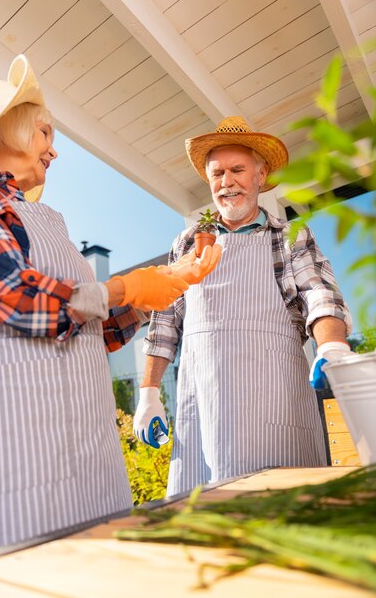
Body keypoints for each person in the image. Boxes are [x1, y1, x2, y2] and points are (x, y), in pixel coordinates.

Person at [0, 54, 221, 562]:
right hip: (14, 426)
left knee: (99, 564)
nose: (53, 151)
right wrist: (125, 289)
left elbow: (86, 330)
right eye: (43, 134)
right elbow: (17, 296)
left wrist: (162, 289)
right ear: (5, 128)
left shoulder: (49, 218)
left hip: (85, 430)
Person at [133, 116, 353, 497]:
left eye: (237, 170)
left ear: (260, 175)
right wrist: (149, 392)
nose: (227, 182)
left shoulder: (288, 236)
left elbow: (319, 293)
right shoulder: (187, 243)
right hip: (204, 409)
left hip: (275, 406)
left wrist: (332, 346)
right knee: (209, 523)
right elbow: (165, 320)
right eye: (218, 173)